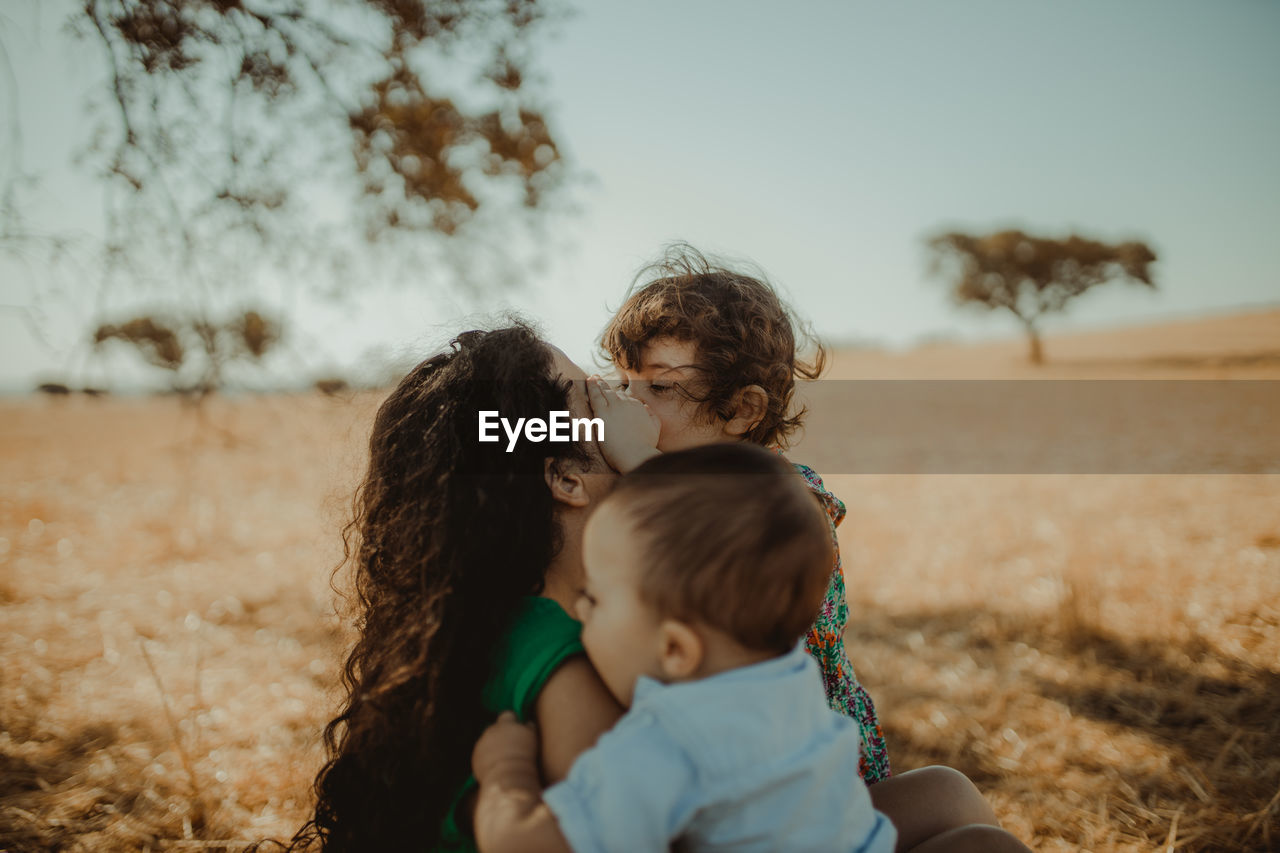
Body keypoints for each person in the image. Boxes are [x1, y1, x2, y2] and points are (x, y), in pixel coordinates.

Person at [585, 245, 1027, 847]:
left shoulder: (790, 499)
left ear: (741, 411)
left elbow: (720, 553)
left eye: (659, 387)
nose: (632, 406)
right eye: (624, 384)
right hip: (723, 793)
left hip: (808, 778)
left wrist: (636, 460)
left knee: (951, 791)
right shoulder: (633, 482)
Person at [284, 325, 623, 852]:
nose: (619, 402)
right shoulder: (569, 659)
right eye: (593, 399)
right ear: (565, 479)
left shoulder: (463, 632)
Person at [471, 444, 897, 853]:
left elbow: (528, 845)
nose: (580, 611)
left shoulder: (668, 739)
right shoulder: (791, 674)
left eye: (594, 598)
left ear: (675, 648)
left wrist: (504, 773)